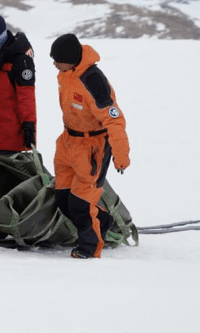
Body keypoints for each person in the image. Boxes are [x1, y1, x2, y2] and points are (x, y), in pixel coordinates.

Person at [50, 33, 130, 259]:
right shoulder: (65, 74)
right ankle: (103, 221)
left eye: (57, 59)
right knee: (65, 202)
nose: (54, 64)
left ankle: (89, 248)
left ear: (71, 58)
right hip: (67, 143)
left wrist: (120, 154)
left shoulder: (93, 80)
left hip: (92, 148)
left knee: (80, 205)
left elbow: (114, 119)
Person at [0, 15, 37, 155]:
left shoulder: (20, 59)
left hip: (14, 135)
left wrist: (29, 125)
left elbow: (26, 96)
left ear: (2, 34)